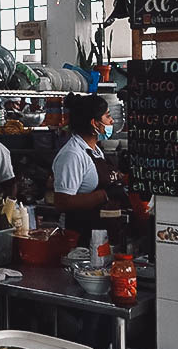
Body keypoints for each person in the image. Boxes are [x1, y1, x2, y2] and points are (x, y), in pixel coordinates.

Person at [49, 93, 125, 241]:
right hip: (83, 236)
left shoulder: (94, 150)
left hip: (104, 231)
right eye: (107, 116)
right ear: (95, 123)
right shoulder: (72, 155)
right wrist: (104, 195)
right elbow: (62, 201)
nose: (111, 121)